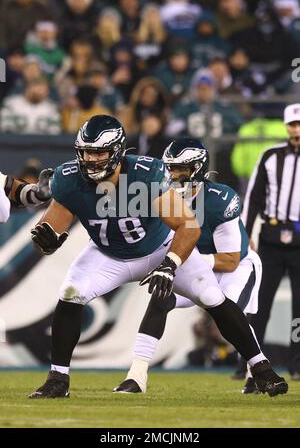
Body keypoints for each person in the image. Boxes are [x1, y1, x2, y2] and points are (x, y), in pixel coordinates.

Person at [28, 115, 287, 399]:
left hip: (159, 247)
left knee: (213, 297)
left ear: (116, 151)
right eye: (86, 152)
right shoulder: (68, 179)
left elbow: (188, 225)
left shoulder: (145, 173)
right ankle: (58, 379)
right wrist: (48, 243)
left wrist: (170, 264)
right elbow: (49, 234)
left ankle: (261, 369)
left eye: (99, 152)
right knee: (70, 293)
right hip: (108, 253)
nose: (91, 159)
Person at [113, 138, 262, 395]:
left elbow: (230, 260)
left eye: (180, 168)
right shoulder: (156, 196)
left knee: (230, 314)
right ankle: (136, 375)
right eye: (169, 168)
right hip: (193, 264)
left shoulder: (218, 199)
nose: (172, 175)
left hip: (234, 266)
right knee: (160, 299)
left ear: (198, 168)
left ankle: (256, 371)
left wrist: (182, 259)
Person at [242, 103, 300, 383]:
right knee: (259, 302)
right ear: (286, 127)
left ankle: (297, 362)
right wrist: (245, 232)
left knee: (299, 308)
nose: (297, 130)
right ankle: (251, 362)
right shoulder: (270, 156)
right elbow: (253, 196)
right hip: (271, 237)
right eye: (293, 124)